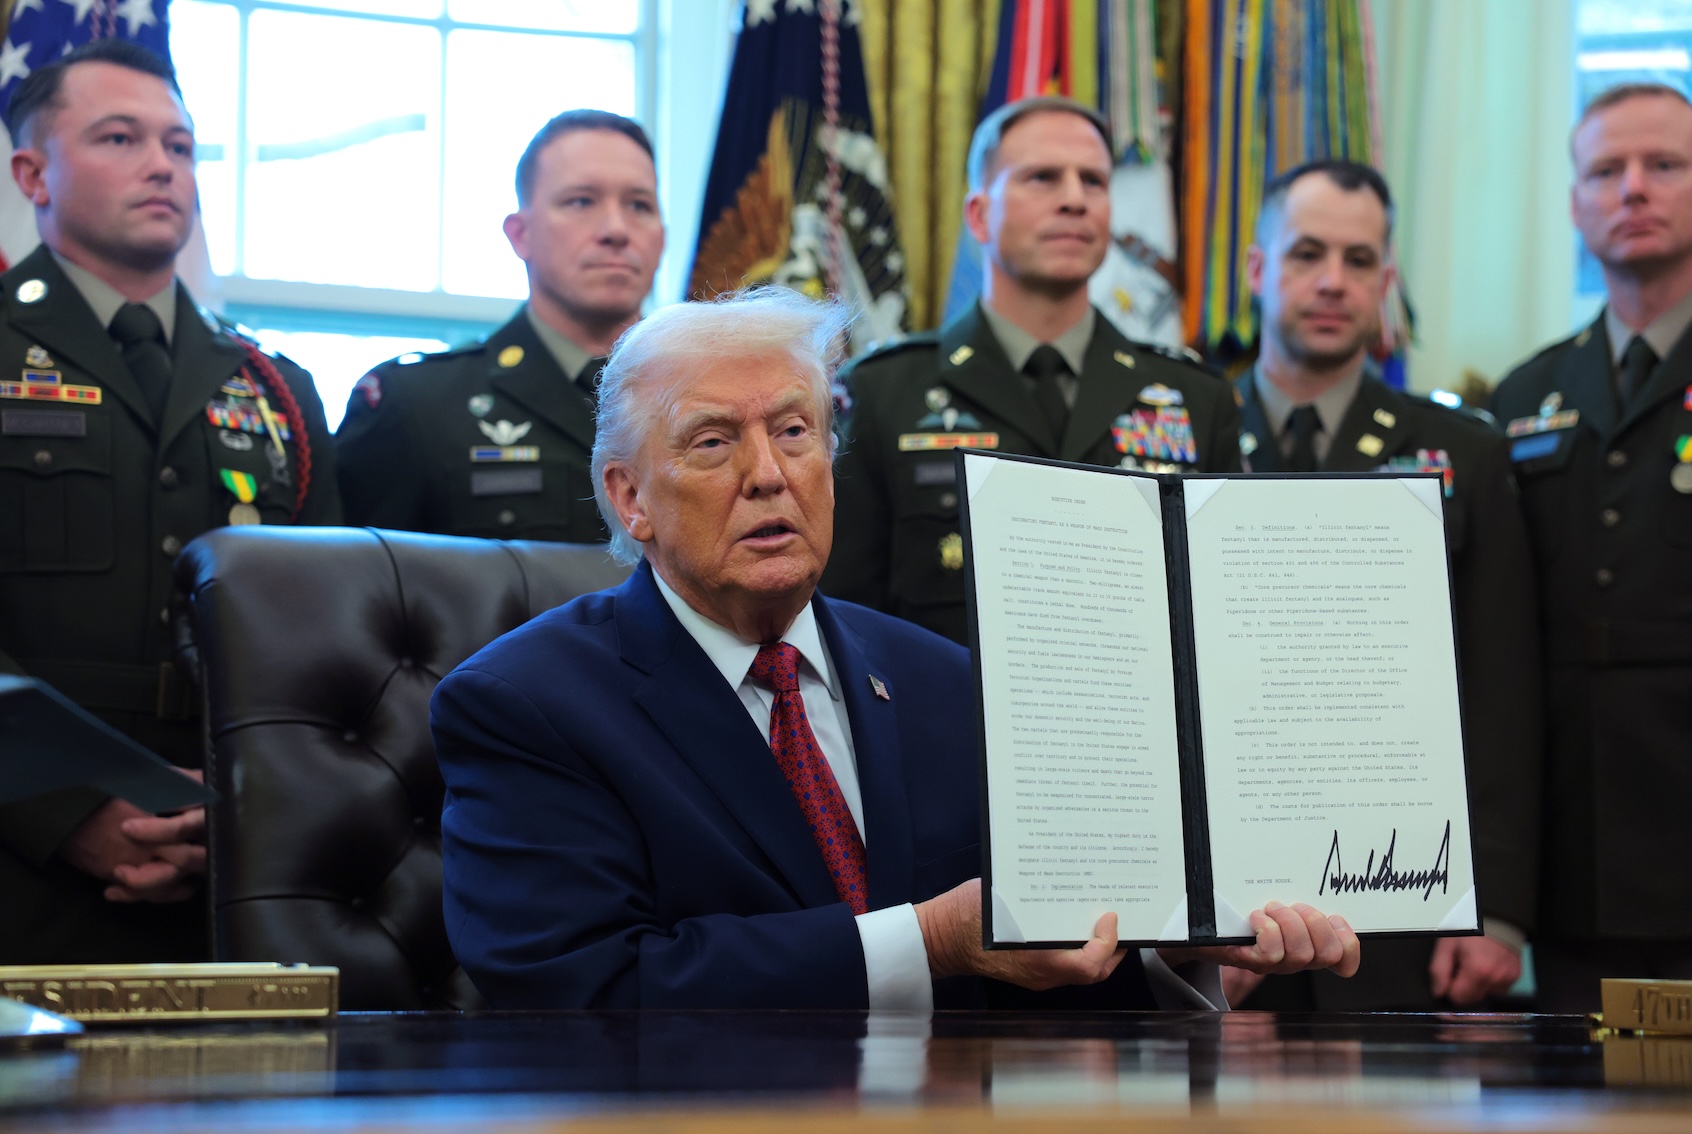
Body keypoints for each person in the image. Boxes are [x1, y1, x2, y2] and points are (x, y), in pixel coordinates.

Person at [431, 287, 1361, 1011]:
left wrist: (1176, 952)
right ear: (630, 496)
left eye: (795, 431)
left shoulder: (950, 683)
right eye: (713, 442)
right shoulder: (526, 705)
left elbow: (1026, 970)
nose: (768, 474)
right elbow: (583, 991)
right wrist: (931, 940)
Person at [0, 40, 339, 963]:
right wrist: (63, 810)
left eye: (181, 147)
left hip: (243, 865)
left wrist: (243, 813)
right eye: (120, 138)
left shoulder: (273, 386)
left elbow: (334, 645)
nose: (162, 165)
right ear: (33, 171)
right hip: (20, 865)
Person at [1226, 160, 1542, 1013]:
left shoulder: (1460, 452)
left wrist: (1501, 909)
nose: (1334, 282)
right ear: (1257, 270)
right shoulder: (1186, 442)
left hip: (1406, 910)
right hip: (1220, 916)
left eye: (1360, 261)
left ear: (1386, 282)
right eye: (1307, 254)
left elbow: (1504, 687)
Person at [823, 97, 1240, 644]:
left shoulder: (1193, 397)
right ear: (978, 215)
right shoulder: (885, 393)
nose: (1074, 200)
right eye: (1043, 178)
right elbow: (846, 624)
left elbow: (1219, 620)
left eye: (1093, 181)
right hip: (948, 723)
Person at [1492, 83, 1692, 1014]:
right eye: (1606, 170)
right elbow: (1498, 652)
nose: (1634, 189)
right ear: (1575, 201)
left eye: (1665, 165)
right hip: (1583, 850)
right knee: (1589, 1104)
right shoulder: (1529, 393)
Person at [336, 110, 664, 543]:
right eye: (581, 201)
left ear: (663, 236)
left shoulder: (708, 401)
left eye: (639, 205)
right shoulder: (418, 406)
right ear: (520, 234)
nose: (616, 230)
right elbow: (354, 593)